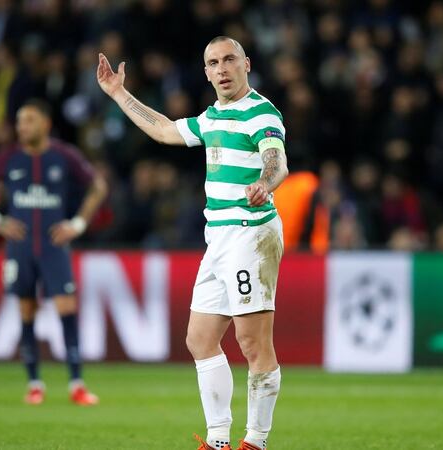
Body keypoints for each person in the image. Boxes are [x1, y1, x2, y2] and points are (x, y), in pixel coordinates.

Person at [97, 36, 289, 450]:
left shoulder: (261, 114)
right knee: (200, 339)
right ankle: (218, 441)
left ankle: (255, 442)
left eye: (229, 60)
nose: (221, 69)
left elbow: (277, 160)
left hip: (250, 234)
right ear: (205, 72)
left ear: (246, 64)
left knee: (253, 344)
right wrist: (119, 93)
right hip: (218, 237)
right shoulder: (213, 116)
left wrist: (265, 182)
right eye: (213, 63)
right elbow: (166, 130)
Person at [0, 99, 107, 406]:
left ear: (45, 124)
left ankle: (77, 384)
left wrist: (79, 223)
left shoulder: (64, 155)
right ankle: (34, 384)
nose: (21, 127)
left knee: (66, 309)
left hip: (55, 246)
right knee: (26, 312)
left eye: (28, 120)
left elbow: (98, 186)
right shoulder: (9, 158)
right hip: (21, 247)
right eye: (19, 121)